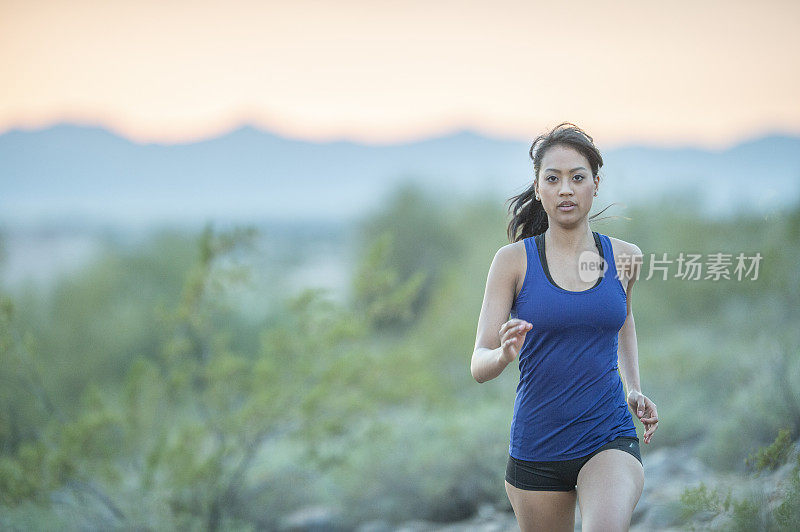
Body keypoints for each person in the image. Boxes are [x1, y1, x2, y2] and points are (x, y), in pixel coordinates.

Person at [470, 122, 659, 531]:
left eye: (578, 177)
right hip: (537, 446)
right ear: (538, 188)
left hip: (608, 433)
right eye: (553, 179)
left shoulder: (625, 257)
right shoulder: (512, 261)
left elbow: (622, 320)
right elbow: (478, 363)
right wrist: (503, 354)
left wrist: (634, 387)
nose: (566, 189)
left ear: (595, 184)